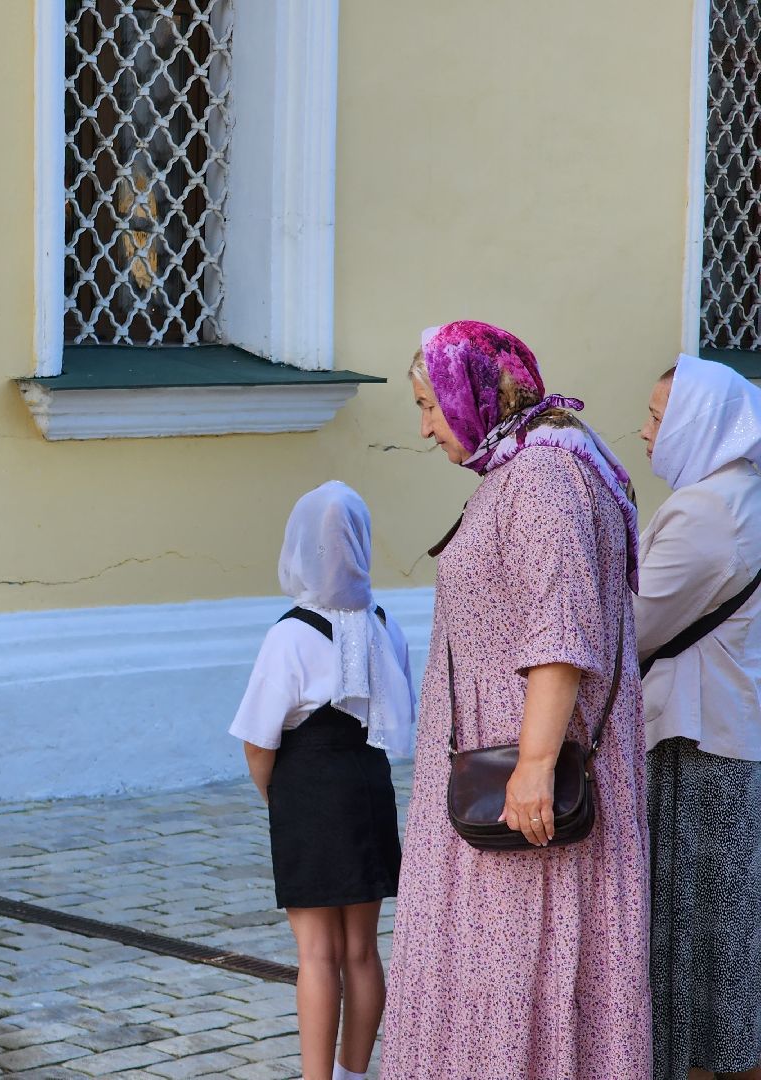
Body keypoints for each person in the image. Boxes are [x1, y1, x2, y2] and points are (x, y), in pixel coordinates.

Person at [381, 321, 650, 1078]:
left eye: (430, 404)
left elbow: (560, 625)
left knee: (517, 972)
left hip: (521, 796)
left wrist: (533, 767)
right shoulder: (531, 467)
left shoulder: (540, 476)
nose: (426, 425)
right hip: (497, 783)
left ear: (474, 394)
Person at [230, 481, 415, 1080]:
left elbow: (259, 740)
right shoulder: (386, 625)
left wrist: (274, 794)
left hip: (308, 790)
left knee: (317, 952)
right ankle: (355, 1073)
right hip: (369, 787)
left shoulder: (289, 634)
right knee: (362, 949)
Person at [637, 355, 761, 1080]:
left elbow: (635, 624)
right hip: (728, 726)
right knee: (727, 927)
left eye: (659, 417)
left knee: (696, 928)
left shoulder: (706, 510)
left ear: (698, 423)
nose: (648, 432)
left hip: (696, 737)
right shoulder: (743, 493)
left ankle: (704, 1062)